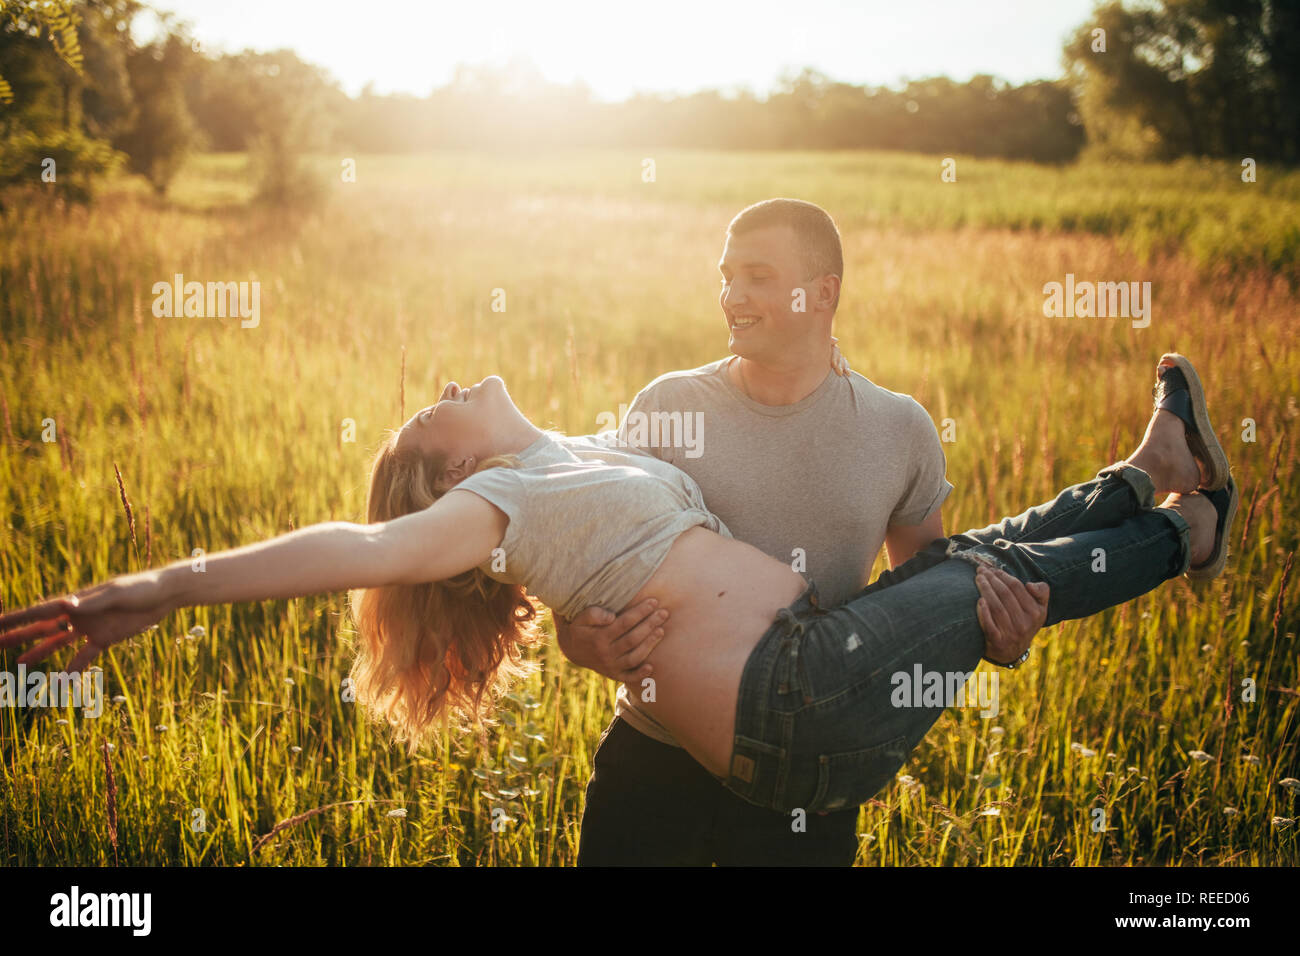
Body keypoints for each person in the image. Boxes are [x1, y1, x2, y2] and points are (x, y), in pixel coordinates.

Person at [0, 355, 1237, 832]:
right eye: (424, 417)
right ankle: (1188, 533)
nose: (439, 383)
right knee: (980, 576)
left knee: (972, 554)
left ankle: (1143, 477)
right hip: (790, 704)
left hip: (812, 663)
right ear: (451, 469)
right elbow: (356, 547)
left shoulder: (588, 449)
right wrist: (155, 584)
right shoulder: (493, 506)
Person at [560, 197, 1047, 866]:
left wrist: (1003, 642)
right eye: (727, 275)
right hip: (651, 767)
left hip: (803, 784)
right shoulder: (668, 407)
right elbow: (588, 569)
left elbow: (925, 604)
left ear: (824, 293)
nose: (733, 295)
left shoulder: (898, 430)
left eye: (758, 276)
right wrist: (580, 639)